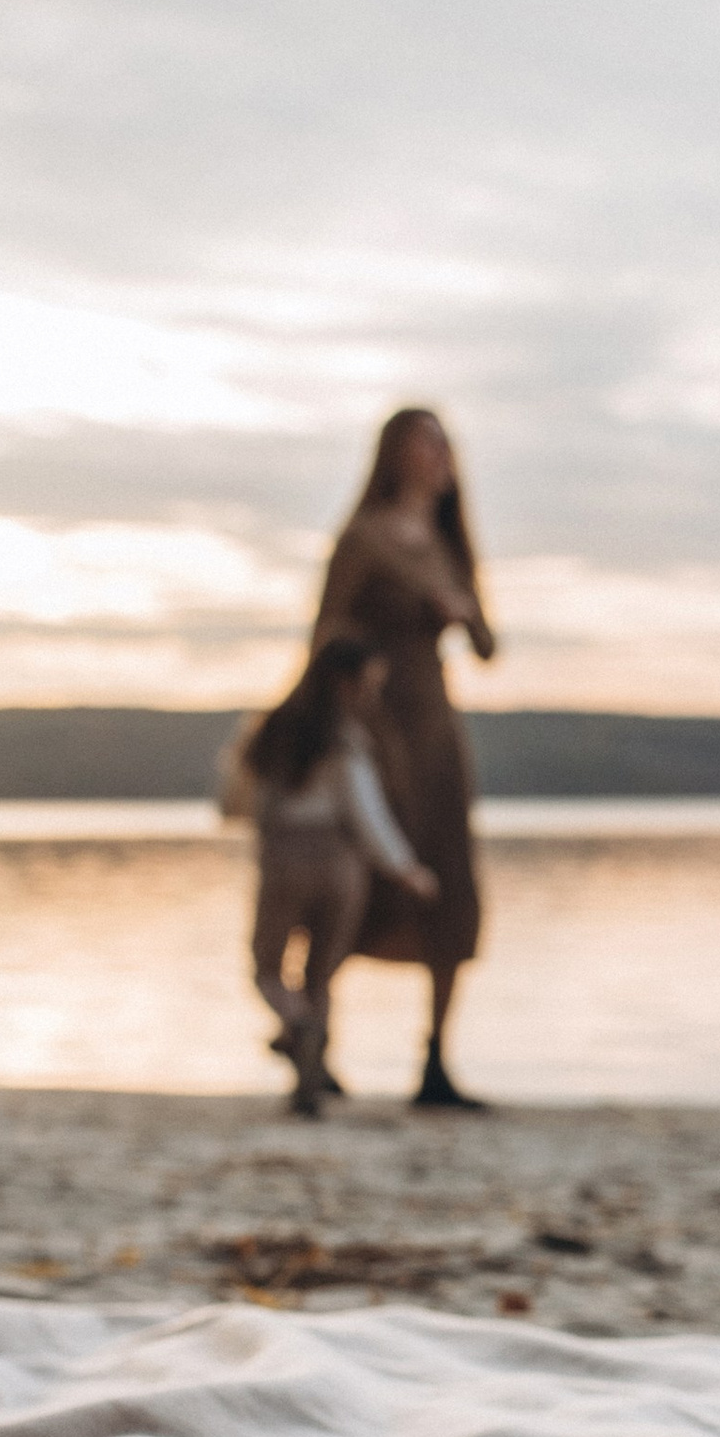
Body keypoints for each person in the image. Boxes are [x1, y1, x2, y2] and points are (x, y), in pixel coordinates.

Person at [308, 405, 497, 1109]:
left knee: (449, 877)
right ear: (395, 454)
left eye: (445, 443)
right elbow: (323, 629)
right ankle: (317, 1043)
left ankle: (436, 1061)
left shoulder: (450, 546)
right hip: (377, 723)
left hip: (437, 728)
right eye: (426, 442)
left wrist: (462, 609)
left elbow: (487, 647)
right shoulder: (362, 538)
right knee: (362, 874)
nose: (438, 455)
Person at [217, 637, 439, 1115]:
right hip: (339, 862)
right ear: (344, 682)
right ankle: (310, 1071)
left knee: (267, 970)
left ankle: (297, 1029)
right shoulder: (344, 739)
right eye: (369, 685)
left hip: (283, 858)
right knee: (319, 976)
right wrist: (404, 868)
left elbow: (233, 804)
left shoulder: (268, 733)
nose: (372, 696)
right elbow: (366, 813)